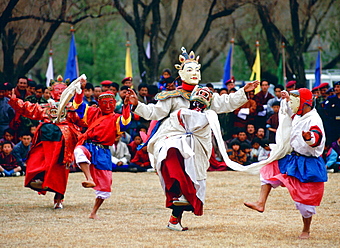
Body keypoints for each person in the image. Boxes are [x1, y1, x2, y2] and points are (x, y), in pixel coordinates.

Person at [126, 47, 259, 231]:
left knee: (193, 179)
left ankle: (174, 220)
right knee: (170, 152)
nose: (194, 73)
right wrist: (137, 105)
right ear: (180, 74)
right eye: (189, 70)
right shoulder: (172, 96)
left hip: (198, 143)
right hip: (174, 136)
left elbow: (227, 103)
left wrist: (243, 92)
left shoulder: (207, 96)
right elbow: (153, 112)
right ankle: (178, 198)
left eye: (197, 70)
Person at [244, 88, 327, 239]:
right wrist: (287, 98)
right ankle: (260, 202)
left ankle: (306, 229)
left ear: (305, 103)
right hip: (292, 158)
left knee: (305, 202)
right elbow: (290, 112)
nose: (291, 104)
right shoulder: (300, 114)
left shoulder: (314, 120)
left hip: (308, 162)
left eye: (295, 101)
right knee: (269, 169)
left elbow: (317, 137)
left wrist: (310, 138)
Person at [8, 75, 86, 209]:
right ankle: (38, 180)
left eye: (63, 89)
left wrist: (80, 91)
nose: (60, 92)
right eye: (57, 89)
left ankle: (59, 197)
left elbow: (81, 117)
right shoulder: (45, 106)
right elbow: (29, 109)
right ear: (51, 91)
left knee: (60, 170)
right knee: (37, 160)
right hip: (45, 138)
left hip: (62, 141)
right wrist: (15, 100)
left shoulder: (71, 107)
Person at [73, 86, 132, 219]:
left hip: (104, 151)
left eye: (111, 103)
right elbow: (78, 106)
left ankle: (93, 212)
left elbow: (125, 122)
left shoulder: (116, 118)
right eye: (104, 103)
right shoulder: (92, 112)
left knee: (105, 187)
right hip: (89, 146)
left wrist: (126, 105)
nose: (108, 106)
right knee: (78, 151)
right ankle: (88, 178)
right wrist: (79, 91)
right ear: (99, 103)